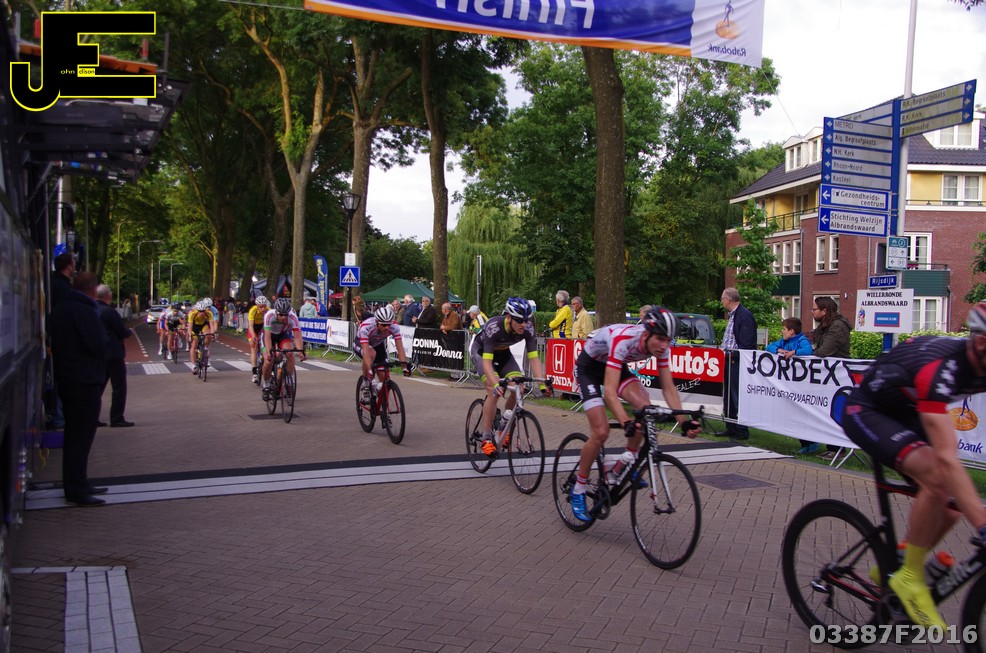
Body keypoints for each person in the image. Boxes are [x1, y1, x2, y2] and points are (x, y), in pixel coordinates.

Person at [840, 302, 986, 630]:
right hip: (868, 411)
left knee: (951, 508)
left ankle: (897, 563)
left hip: (906, 410)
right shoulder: (942, 368)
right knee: (939, 475)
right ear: (979, 342)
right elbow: (947, 457)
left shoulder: (978, 361)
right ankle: (908, 575)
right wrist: (983, 525)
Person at [568, 307, 701, 521]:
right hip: (589, 368)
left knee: (645, 410)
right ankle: (579, 488)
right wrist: (625, 421)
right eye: (660, 339)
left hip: (615, 366)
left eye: (668, 340)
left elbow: (668, 388)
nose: (664, 346)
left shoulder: (662, 348)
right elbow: (609, 393)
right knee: (601, 431)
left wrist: (683, 422)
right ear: (646, 334)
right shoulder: (624, 340)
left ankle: (622, 465)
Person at [48, 272, 109, 506]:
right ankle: (76, 489)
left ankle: (79, 482)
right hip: (84, 379)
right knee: (81, 437)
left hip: (69, 377)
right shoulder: (84, 310)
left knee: (75, 435)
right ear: (93, 290)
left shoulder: (61, 308)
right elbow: (97, 343)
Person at [469, 298, 550, 455]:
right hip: (482, 353)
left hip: (504, 354)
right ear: (508, 317)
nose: (523, 324)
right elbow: (487, 362)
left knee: (519, 387)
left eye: (526, 320)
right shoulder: (494, 327)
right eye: (519, 320)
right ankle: (486, 437)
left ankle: (503, 426)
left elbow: (534, 358)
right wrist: (496, 383)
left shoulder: (528, 329)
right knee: (493, 390)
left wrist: (542, 384)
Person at [810, 296, 853, 459]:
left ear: (824, 311)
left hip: (837, 377)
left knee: (835, 411)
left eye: (814, 309)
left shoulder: (837, 327)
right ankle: (831, 446)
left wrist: (808, 354)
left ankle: (838, 448)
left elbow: (823, 351)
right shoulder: (824, 326)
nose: (812, 312)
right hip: (827, 375)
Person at [720, 287, 757, 441]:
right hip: (728, 359)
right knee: (728, 395)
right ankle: (731, 427)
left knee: (736, 396)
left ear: (728, 300)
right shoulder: (733, 315)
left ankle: (741, 430)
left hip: (736, 361)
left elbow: (746, 343)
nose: (722, 302)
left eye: (722, 299)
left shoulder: (744, 316)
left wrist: (735, 355)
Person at [355, 305, 412, 402]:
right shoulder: (366, 327)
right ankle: (365, 384)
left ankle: (383, 407)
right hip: (362, 343)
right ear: (377, 322)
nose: (387, 327)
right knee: (371, 353)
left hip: (378, 345)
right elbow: (366, 351)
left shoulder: (394, 327)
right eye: (384, 325)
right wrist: (369, 372)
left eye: (389, 324)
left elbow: (400, 348)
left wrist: (404, 367)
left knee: (384, 376)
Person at [96, 284, 134, 428]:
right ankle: (117, 418)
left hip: (98, 354)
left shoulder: (91, 309)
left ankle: (93, 417)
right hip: (113, 353)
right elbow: (121, 331)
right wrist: (129, 332)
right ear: (109, 296)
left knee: (98, 387)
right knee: (119, 387)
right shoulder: (109, 311)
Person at [261, 297, 307, 400]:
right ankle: (266, 385)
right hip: (269, 335)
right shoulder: (269, 315)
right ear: (276, 312)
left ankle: (289, 382)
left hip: (282, 334)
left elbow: (297, 336)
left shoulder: (292, 317)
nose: (283, 317)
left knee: (290, 354)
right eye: (281, 315)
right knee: (268, 360)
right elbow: (267, 336)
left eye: (285, 315)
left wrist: (301, 351)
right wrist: (269, 352)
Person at [187, 300, 217, 374]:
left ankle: (205, 349)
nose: (201, 313)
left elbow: (212, 326)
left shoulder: (209, 313)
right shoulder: (192, 313)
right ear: (197, 310)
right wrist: (190, 336)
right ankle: (193, 365)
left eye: (203, 311)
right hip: (194, 327)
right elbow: (190, 327)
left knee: (208, 335)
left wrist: (213, 334)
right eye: (200, 311)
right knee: (194, 344)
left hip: (203, 326)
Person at [247, 296, 270, 384]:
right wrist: (253, 336)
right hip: (254, 327)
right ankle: (254, 372)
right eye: (260, 307)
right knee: (254, 347)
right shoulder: (253, 310)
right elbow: (250, 326)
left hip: (262, 327)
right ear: (257, 306)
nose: (263, 308)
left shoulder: (268, 310)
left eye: (264, 306)